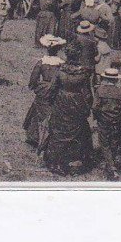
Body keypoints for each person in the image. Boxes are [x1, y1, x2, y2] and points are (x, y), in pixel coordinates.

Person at [44, 41, 93, 175]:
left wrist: (50, 102)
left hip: (61, 102)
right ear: (78, 56)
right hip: (76, 103)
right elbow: (88, 95)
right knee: (77, 131)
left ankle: (56, 162)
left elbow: (52, 89)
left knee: (59, 130)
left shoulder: (60, 71)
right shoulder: (83, 74)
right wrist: (87, 107)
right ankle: (75, 162)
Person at [23, 34, 65, 152]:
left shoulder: (42, 62)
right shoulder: (61, 64)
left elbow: (33, 79)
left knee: (38, 113)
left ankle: (35, 137)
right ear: (58, 49)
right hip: (55, 91)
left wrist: (38, 87)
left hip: (42, 91)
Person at [93, 66, 121, 180]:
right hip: (117, 121)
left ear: (105, 79)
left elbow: (95, 107)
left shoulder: (100, 90)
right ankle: (110, 165)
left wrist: (97, 117)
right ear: (116, 80)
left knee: (104, 143)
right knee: (114, 142)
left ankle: (111, 168)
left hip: (103, 120)